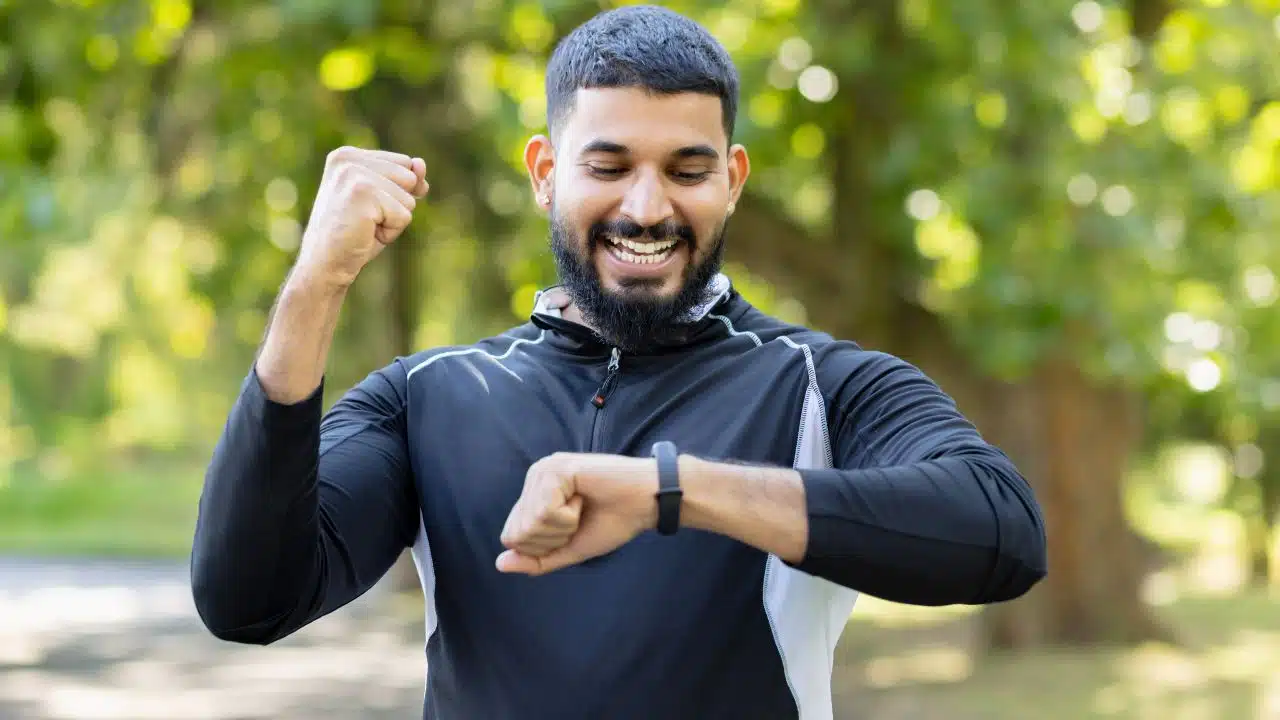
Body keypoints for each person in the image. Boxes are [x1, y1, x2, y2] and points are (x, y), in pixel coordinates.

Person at [190, 5, 1047, 719]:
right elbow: (249, 599)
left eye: (687, 170)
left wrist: (669, 492)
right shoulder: (425, 397)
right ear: (544, 172)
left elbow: (1001, 533)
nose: (647, 206)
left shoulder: (824, 383)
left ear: (734, 180)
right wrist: (315, 287)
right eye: (608, 166)